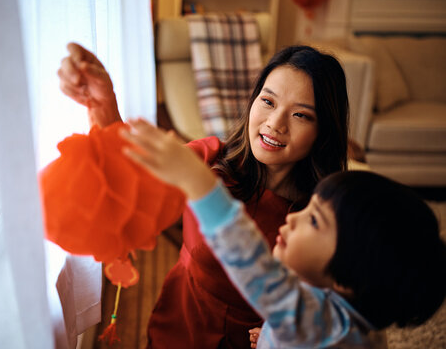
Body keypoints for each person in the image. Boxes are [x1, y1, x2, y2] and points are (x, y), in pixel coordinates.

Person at [58, 43, 349, 347]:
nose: (275, 124)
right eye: (268, 101)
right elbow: (134, 177)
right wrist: (105, 106)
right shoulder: (208, 159)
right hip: (180, 325)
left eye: (301, 115)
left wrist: (286, 334)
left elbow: (328, 300)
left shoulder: (321, 217)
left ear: (323, 132)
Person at [119, 118, 446, 348]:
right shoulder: (357, 317)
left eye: (315, 221)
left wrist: (199, 183)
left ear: (349, 277)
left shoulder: (314, 325)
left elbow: (251, 262)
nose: (293, 218)